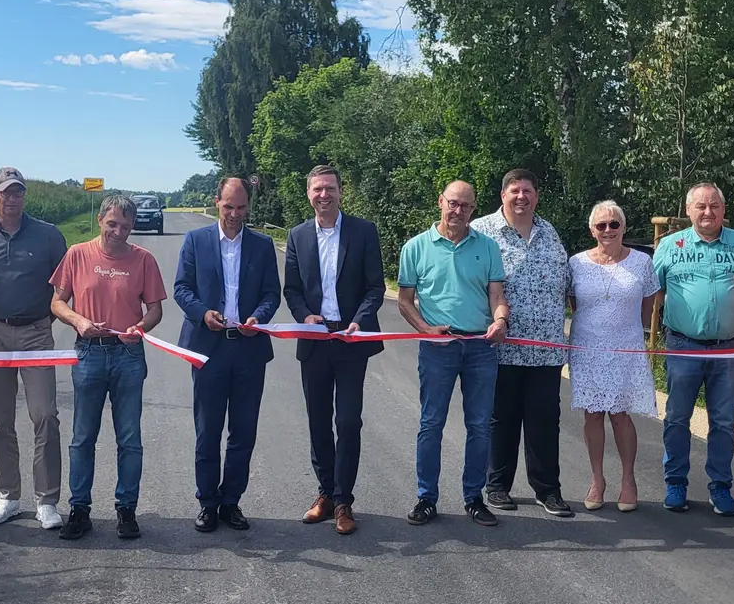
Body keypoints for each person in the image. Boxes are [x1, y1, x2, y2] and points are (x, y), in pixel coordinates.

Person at [50, 194, 166, 541]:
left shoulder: (143, 260)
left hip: (128, 355)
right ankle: (79, 509)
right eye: (112, 224)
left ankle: (126, 509)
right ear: (100, 219)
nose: (118, 232)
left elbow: (156, 309)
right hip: (89, 352)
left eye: (126, 227)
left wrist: (141, 327)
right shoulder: (77, 254)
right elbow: (57, 302)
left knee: (129, 438)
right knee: (83, 437)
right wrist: (78, 321)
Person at [397, 180, 510, 527]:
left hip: (480, 347)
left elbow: (496, 295)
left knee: (479, 426)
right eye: (453, 203)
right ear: (440, 202)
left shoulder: (488, 247)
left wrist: (501, 320)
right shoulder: (415, 247)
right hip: (438, 348)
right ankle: (426, 497)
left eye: (466, 206)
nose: (458, 211)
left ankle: (473, 498)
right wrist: (424, 328)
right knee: (431, 423)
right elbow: (404, 300)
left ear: (473, 210)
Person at [652, 181, 734, 516]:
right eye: (700, 206)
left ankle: (721, 488)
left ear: (723, 209)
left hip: (730, 349)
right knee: (676, 418)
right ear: (688, 210)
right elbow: (654, 290)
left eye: (714, 205)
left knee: (724, 421)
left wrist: (731, 317)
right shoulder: (670, 246)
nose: (707, 212)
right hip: (683, 346)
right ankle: (675, 483)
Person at [173, 176, 281, 533]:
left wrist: (259, 318)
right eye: (228, 206)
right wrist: (204, 313)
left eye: (241, 208)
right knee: (208, 430)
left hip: (248, 349)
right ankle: (207, 502)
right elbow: (181, 289)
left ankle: (231, 501)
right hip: (208, 349)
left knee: (243, 432)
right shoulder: (195, 240)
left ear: (248, 207)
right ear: (216, 202)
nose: (234, 214)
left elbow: (271, 293)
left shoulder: (263, 245)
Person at [283, 164, 386, 535]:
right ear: (308, 194)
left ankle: (344, 501)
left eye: (329, 188)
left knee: (347, 420)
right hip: (314, 339)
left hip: (351, 338)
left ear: (341, 191)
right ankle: (325, 493)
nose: (323, 195)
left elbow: (375, 286)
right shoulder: (297, 236)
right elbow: (292, 289)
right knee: (318, 420)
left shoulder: (363, 232)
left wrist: (360, 318)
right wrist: (303, 316)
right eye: (317, 190)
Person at [474, 168, 574, 519]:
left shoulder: (549, 233)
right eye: (514, 190)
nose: (521, 197)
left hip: (546, 348)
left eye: (527, 191)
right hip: (499, 347)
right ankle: (497, 486)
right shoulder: (483, 232)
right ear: (503, 195)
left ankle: (548, 490)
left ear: (536, 196)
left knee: (544, 420)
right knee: (501, 418)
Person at [0, 166, 69, 531]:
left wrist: (45, 321)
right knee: (0, 419)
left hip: (36, 333)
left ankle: (47, 500)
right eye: (6, 192)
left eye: (18, 192)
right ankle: (9, 496)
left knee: (44, 414)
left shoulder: (47, 236)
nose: (12, 199)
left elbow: (64, 285)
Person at [567, 201, 659, 512]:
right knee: (592, 414)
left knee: (621, 414)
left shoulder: (642, 263)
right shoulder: (576, 263)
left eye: (614, 224)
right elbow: (575, 304)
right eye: (601, 225)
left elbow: (647, 306)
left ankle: (628, 481)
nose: (608, 230)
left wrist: (628, 331)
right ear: (592, 230)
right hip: (588, 346)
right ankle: (597, 480)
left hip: (625, 347)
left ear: (623, 227)